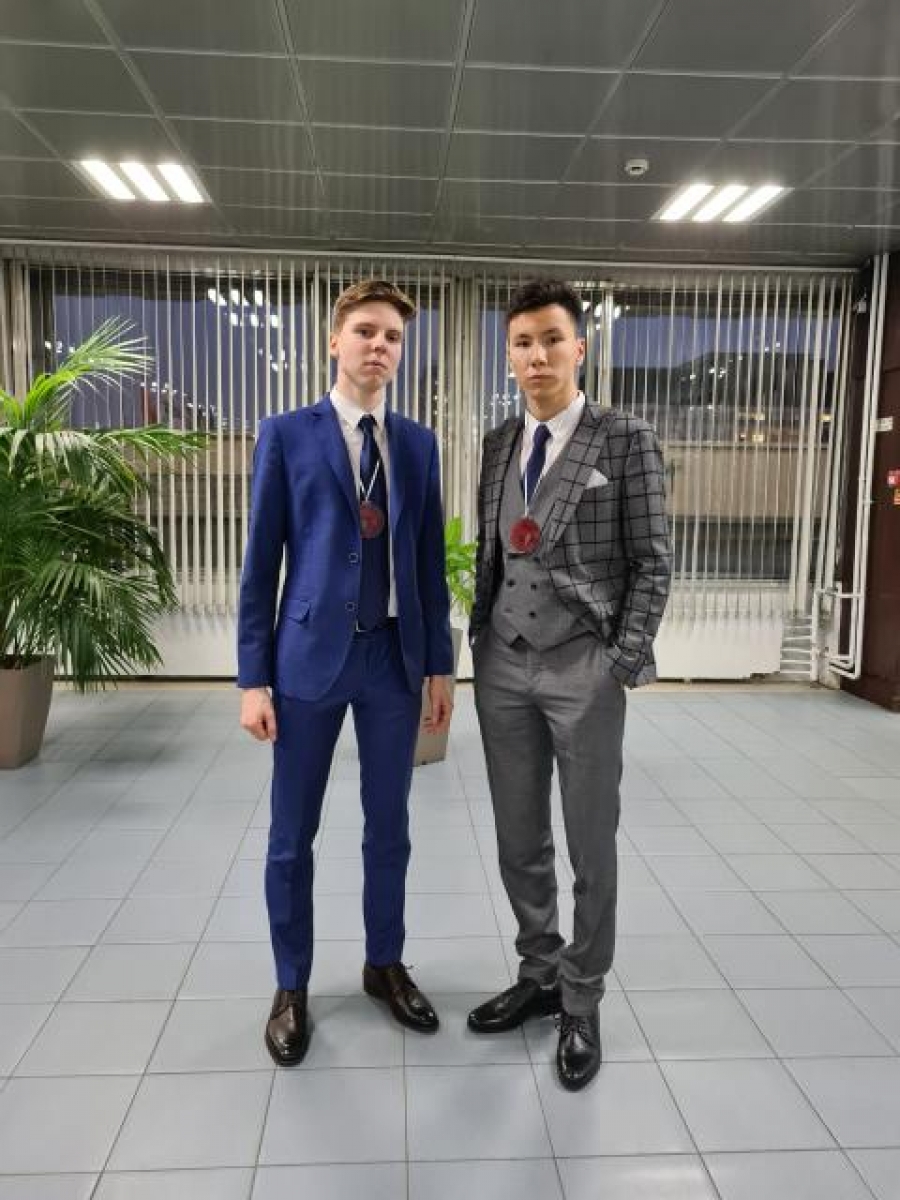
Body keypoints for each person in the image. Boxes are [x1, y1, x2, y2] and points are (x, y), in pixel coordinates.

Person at [237, 279, 454, 1065]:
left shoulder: (418, 445)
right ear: (335, 341)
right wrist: (252, 679)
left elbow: (428, 563)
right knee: (292, 834)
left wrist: (440, 665)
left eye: (392, 336)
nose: (379, 346)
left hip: (392, 661)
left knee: (389, 827)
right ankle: (290, 983)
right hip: (308, 661)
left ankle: (382, 963)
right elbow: (260, 564)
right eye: (365, 331)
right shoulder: (286, 435)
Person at [467, 278, 672, 1090]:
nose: (537, 355)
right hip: (502, 662)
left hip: (583, 663)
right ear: (509, 356)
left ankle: (583, 997)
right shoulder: (496, 445)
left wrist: (621, 659)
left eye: (552, 339)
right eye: (522, 343)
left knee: (590, 842)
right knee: (519, 837)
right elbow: (494, 552)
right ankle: (541, 971)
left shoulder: (624, 440)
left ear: (578, 348)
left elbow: (653, 562)